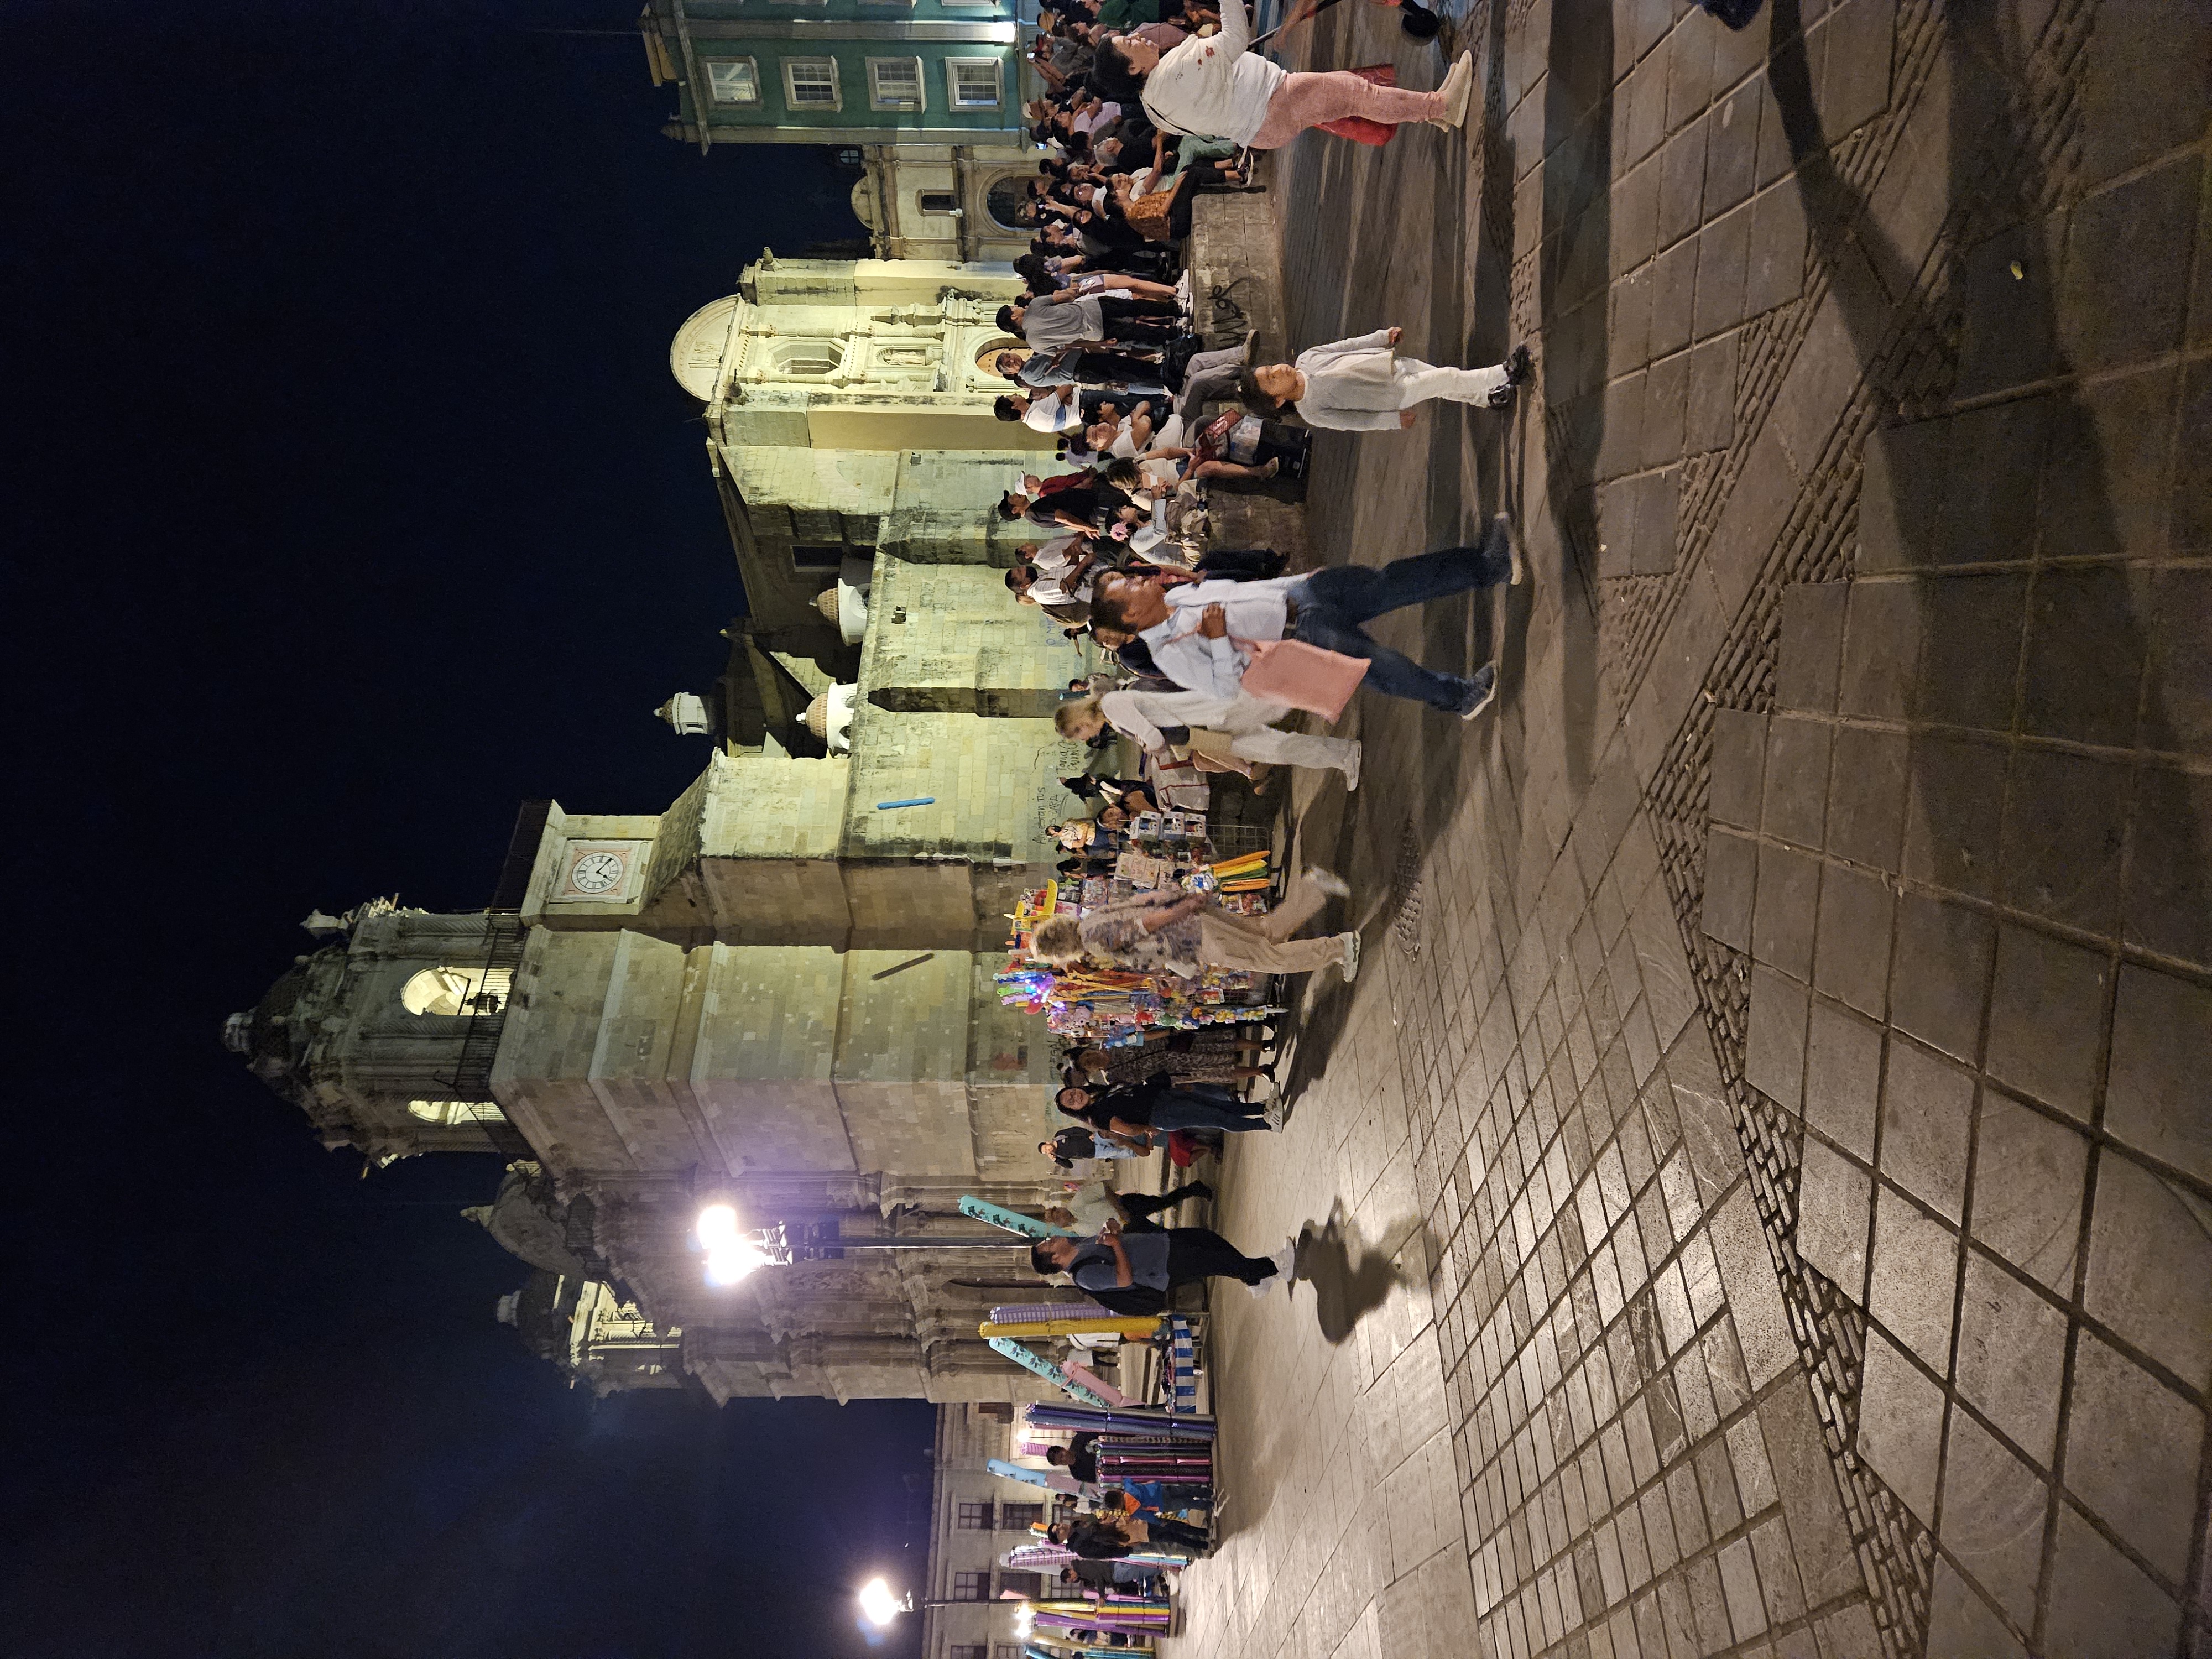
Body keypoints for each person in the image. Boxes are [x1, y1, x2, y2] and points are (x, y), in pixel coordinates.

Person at [1087, 515, 1522, 719]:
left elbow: (1246, 593)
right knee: (1385, 668)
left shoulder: (1178, 595)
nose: (1140, 579)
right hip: (1304, 639)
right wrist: (1218, 639)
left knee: (1393, 579)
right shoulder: (1167, 655)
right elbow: (1222, 690)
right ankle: (1460, 697)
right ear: (1130, 613)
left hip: (1306, 597)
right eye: (1131, 586)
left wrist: (1301, 581)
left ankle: (1487, 567)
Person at [1094, 0, 1474, 149]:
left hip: (1259, 130)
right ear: (1132, 68)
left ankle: (1426, 114)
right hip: (1275, 101)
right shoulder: (1177, 66)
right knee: (1360, 94)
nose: (1138, 38)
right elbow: (1236, 38)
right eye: (1130, 43)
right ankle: (1440, 107)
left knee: (1348, 94)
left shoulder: (1152, 107)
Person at [1033, 869, 1360, 982]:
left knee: (1266, 958)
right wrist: (1183, 899)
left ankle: (1339, 948)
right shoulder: (1091, 917)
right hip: (1191, 920)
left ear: (1060, 951)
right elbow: (1143, 901)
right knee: (1265, 930)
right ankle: (1314, 887)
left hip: (1190, 938)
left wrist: (1183, 907)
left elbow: (1142, 925)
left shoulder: (1093, 941)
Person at [1057, 687, 1361, 789]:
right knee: (1276, 749)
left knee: (1278, 705)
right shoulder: (1111, 712)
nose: (1086, 738)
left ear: (1079, 722)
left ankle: (1341, 682)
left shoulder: (1111, 705)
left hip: (1209, 719)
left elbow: (1152, 736)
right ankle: (1343, 754)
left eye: (1079, 734)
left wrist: (1151, 750)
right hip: (1205, 731)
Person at [1243, 332, 1532, 429]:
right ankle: (1505, 373)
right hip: (1394, 395)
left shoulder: (1305, 359)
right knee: (1447, 378)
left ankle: (1487, 397)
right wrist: (1391, 421)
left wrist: (1381, 337)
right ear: (1277, 400)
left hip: (1390, 366)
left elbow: (1346, 346)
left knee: (1444, 384)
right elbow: (1354, 423)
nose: (1279, 370)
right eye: (1272, 378)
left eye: (1271, 367)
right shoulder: (1312, 412)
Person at [1030, 1218, 1297, 1308]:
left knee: (1210, 1241)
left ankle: (1255, 1279)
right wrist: (1117, 1245)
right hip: (1164, 1267)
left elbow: (1112, 1240)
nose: (1053, 1238)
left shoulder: (1079, 1245)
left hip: (1161, 1244)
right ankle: (1275, 1267)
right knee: (1218, 1259)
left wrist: (1112, 1230)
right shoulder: (1084, 1276)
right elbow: (1124, 1280)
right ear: (1054, 1259)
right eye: (1049, 1244)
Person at [1056, 1077, 1271, 1139]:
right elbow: (1126, 1130)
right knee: (1215, 1117)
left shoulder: (1099, 1093)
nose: (1075, 1097)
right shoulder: (1096, 1117)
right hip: (1160, 1114)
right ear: (1074, 1111)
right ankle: (1266, 1123)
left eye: (1071, 1093)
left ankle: (1261, 1107)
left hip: (1161, 1096)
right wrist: (1146, 1128)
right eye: (1071, 1101)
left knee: (1215, 1105)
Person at [1046, 1177, 1214, 1234]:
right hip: (1128, 1227)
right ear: (1059, 1225)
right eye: (1057, 1218)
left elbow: (1104, 1188)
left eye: (1057, 1212)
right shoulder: (1080, 1230)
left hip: (1128, 1205)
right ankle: (1200, 1234)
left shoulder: (1079, 1201)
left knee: (1161, 1203)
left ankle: (1193, 1189)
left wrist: (1121, 1210)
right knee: (1161, 1234)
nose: (1060, 1215)